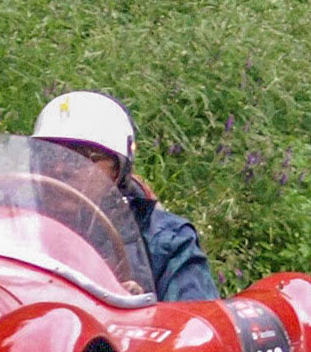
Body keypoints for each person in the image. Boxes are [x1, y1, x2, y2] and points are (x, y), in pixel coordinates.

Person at [33, 91, 220, 301]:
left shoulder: (164, 241)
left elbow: (194, 322)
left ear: (116, 171)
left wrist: (140, 313)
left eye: (79, 157)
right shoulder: (10, 224)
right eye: (47, 154)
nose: (58, 168)